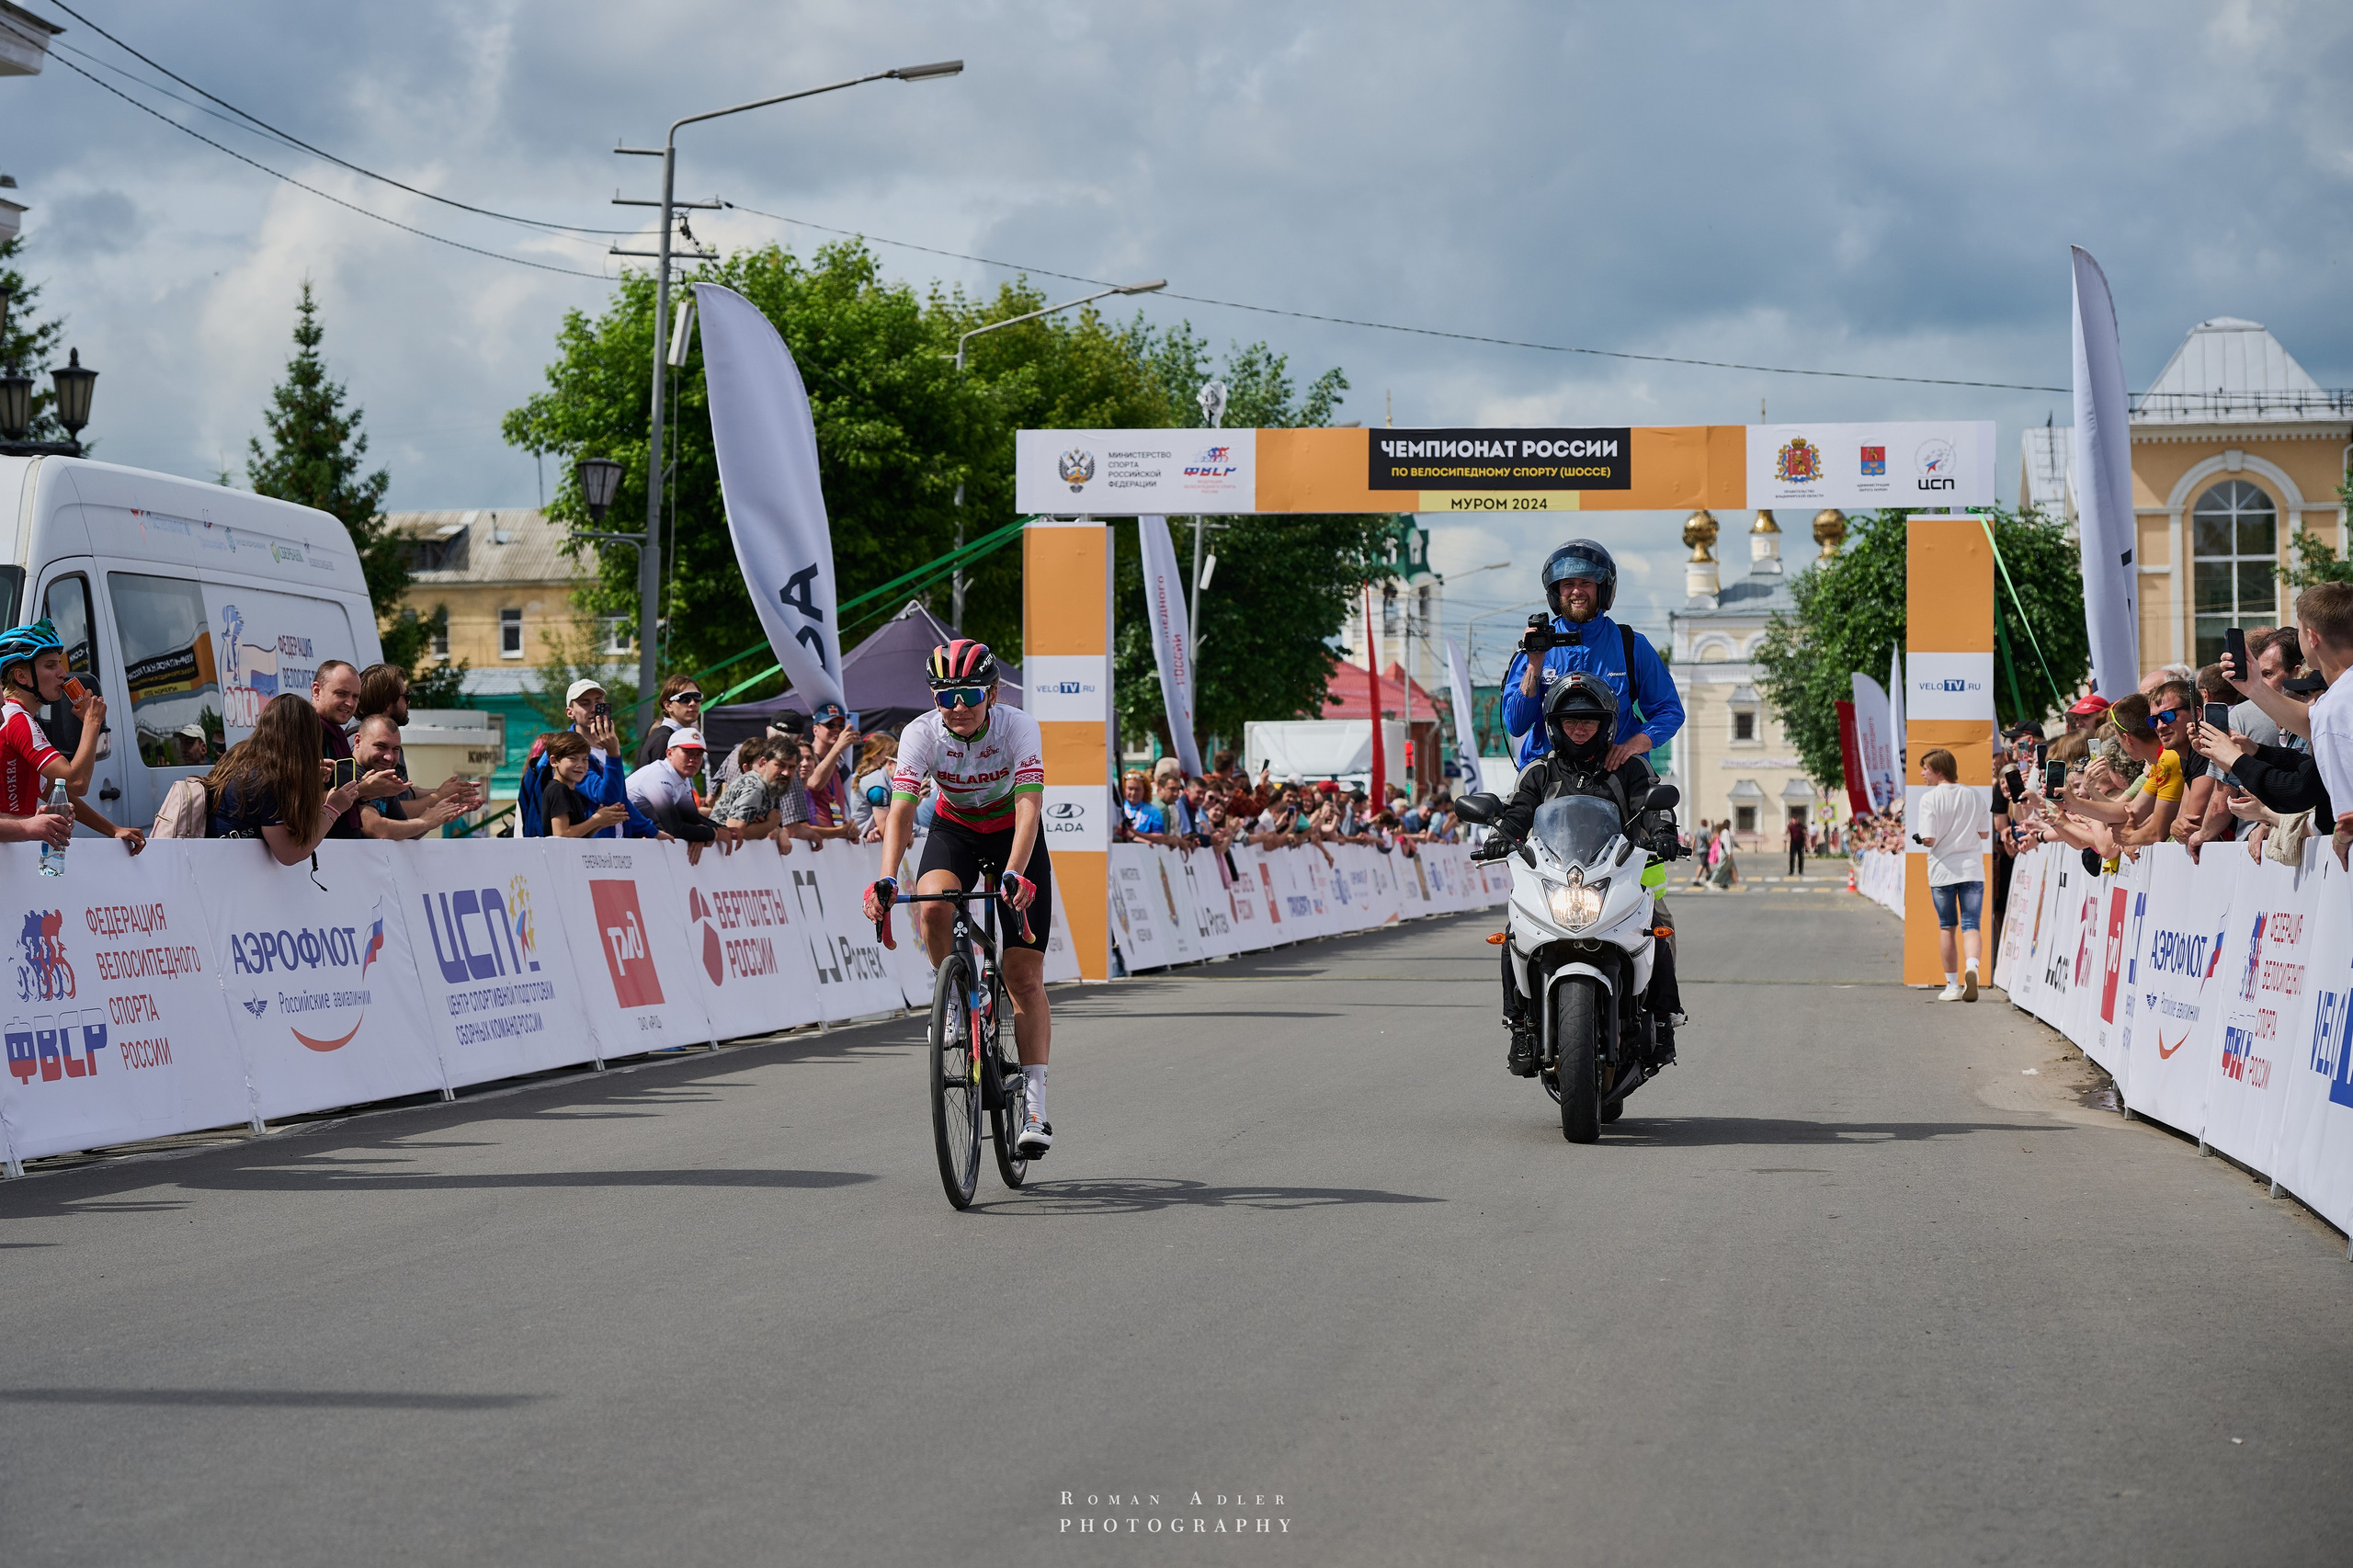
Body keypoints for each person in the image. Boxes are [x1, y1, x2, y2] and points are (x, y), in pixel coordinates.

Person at [861, 640, 1056, 1155]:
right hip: (956, 831)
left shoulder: (1018, 726)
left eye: (970, 694)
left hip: (1013, 834)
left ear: (992, 693)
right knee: (931, 904)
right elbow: (901, 811)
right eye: (946, 696)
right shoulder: (921, 733)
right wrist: (886, 877)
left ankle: (1035, 1103)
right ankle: (956, 997)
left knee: (1024, 978)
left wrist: (1015, 871)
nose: (959, 707)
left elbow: (1030, 805)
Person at [1487, 674, 1684, 1076]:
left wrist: (1664, 832)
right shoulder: (1539, 772)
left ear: (1606, 723)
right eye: (1570, 720)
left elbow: (1652, 803)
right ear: (1554, 725)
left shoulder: (1627, 766)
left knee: (1658, 928)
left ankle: (1664, 1021)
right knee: (1513, 933)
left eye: (1589, 720)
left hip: (1618, 876)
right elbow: (1518, 811)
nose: (1579, 727)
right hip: (1557, 877)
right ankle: (1520, 1025)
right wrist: (1499, 835)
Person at [1499, 540, 1684, 770]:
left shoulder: (1631, 645)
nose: (1576, 591)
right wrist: (1534, 666)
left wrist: (1637, 743)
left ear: (1603, 588)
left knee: (1660, 804)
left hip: (1615, 774)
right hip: (1548, 778)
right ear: (1556, 592)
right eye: (1568, 584)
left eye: (1586, 582)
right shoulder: (1536, 647)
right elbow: (1516, 725)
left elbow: (1669, 711)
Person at [0, 618, 145, 854]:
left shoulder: (14, 716)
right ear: (21, 676)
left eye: (59, 664)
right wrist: (91, 723)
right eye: (50, 666)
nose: (62, 673)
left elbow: (51, 789)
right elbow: (76, 782)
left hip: (12, 851)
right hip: (9, 853)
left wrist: (112, 828)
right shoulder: (18, 720)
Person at [209, 693, 398, 865]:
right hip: (231, 872)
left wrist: (306, 781)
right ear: (305, 739)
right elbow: (290, 854)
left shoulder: (241, 755)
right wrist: (333, 808)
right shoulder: (267, 781)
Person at [517, 678, 662, 839]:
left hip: (614, 847)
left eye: (598, 702)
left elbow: (621, 801)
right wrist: (613, 754)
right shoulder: (568, 754)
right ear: (569, 712)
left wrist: (652, 831)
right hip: (589, 853)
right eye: (585, 703)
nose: (593, 709)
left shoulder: (608, 746)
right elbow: (608, 799)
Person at [1911, 747, 1986, 1002]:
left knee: (1947, 927)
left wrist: (1921, 839)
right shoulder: (1973, 795)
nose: (1922, 773)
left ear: (1939, 770)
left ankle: (1952, 984)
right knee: (1971, 925)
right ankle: (1972, 967)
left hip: (1943, 870)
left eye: (1926, 769)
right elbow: (1985, 833)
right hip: (1972, 868)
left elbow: (1929, 838)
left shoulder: (1930, 799)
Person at [349, 714, 474, 840]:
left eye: (395, 749)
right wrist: (426, 821)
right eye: (381, 746)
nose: (389, 757)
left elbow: (404, 831)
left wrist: (438, 816)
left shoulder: (384, 778)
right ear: (358, 742)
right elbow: (377, 829)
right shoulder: (348, 773)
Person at [626, 727, 735, 854]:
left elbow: (692, 819)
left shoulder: (681, 778)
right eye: (688, 752)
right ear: (669, 753)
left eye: (699, 754)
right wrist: (711, 834)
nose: (694, 759)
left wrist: (723, 829)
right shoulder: (659, 774)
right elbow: (674, 829)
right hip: (612, 834)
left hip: (627, 835)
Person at [534, 731, 631, 838]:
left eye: (585, 759)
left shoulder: (571, 791)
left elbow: (579, 835)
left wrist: (602, 822)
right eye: (572, 759)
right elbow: (561, 834)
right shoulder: (558, 790)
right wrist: (596, 819)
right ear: (554, 761)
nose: (580, 765)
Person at [636, 675, 707, 768]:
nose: (693, 703)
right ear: (668, 706)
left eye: (697, 697)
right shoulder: (664, 739)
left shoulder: (674, 736)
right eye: (685, 698)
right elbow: (659, 781)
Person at [1785, 811, 1806, 877]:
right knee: (1792, 858)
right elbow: (1786, 832)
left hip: (1800, 843)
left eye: (1796, 819)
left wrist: (1806, 842)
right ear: (1792, 819)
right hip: (1793, 843)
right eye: (1794, 819)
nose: (1795, 820)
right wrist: (1787, 826)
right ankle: (1791, 871)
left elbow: (1805, 833)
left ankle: (1800, 871)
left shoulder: (1801, 825)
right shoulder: (1790, 826)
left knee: (1801, 858)